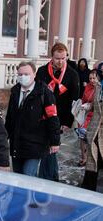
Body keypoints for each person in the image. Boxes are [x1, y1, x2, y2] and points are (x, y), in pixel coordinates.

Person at [5, 61, 61, 177]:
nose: (23, 77)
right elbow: (10, 118)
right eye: (20, 74)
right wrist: (4, 136)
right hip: (17, 145)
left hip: (35, 145)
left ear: (34, 74)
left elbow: (53, 118)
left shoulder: (44, 93)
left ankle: (30, 196)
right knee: (17, 177)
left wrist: (55, 141)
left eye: (26, 74)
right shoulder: (15, 92)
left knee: (28, 176)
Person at [35, 42, 80, 181]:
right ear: (51, 57)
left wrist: (67, 121)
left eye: (63, 58)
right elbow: (36, 93)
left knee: (50, 145)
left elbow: (75, 100)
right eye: (57, 58)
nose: (60, 61)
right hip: (42, 116)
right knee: (46, 145)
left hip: (59, 118)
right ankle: (50, 175)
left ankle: (47, 176)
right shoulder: (42, 71)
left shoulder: (72, 74)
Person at [82, 72, 103, 191]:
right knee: (92, 160)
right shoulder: (99, 87)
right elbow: (96, 106)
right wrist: (88, 106)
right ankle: (88, 189)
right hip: (94, 129)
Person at [75, 70, 99, 167]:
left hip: (94, 116)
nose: (92, 80)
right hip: (84, 114)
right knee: (82, 137)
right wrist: (81, 105)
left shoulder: (100, 88)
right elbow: (84, 98)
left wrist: (91, 106)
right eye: (90, 78)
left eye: (94, 78)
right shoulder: (88, 86)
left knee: (91, 138)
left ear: (98, 78)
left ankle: (92, 157)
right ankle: (83, 157)